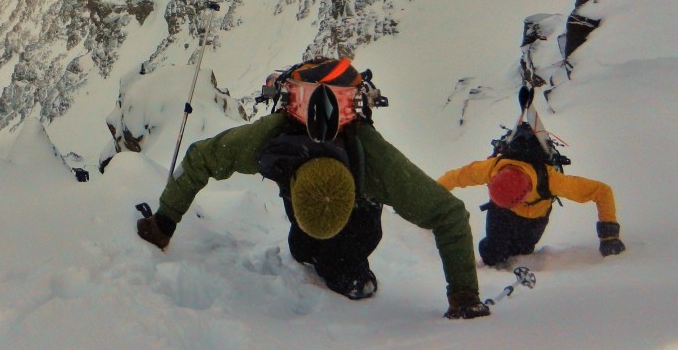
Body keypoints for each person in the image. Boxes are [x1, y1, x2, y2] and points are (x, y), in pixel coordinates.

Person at [136, 58, 490, 319]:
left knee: (314, 253)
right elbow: (448, 214)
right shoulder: (374, 161)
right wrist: (463, 296)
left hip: (324, 237)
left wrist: (164, 222)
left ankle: (328, 258)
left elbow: (202, 158)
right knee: (323, 259)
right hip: (340, 237)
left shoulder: (271, 140)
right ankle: (335, 264)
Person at [437, 150, 625, 267]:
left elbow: (602, 191)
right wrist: (431, 199)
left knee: (522, 252)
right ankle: (491, 264)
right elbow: (455, 177)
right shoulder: (490, 169)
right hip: (502, 210)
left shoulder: (552, 181)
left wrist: (609, 235)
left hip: (535, 216)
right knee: (493, 254)